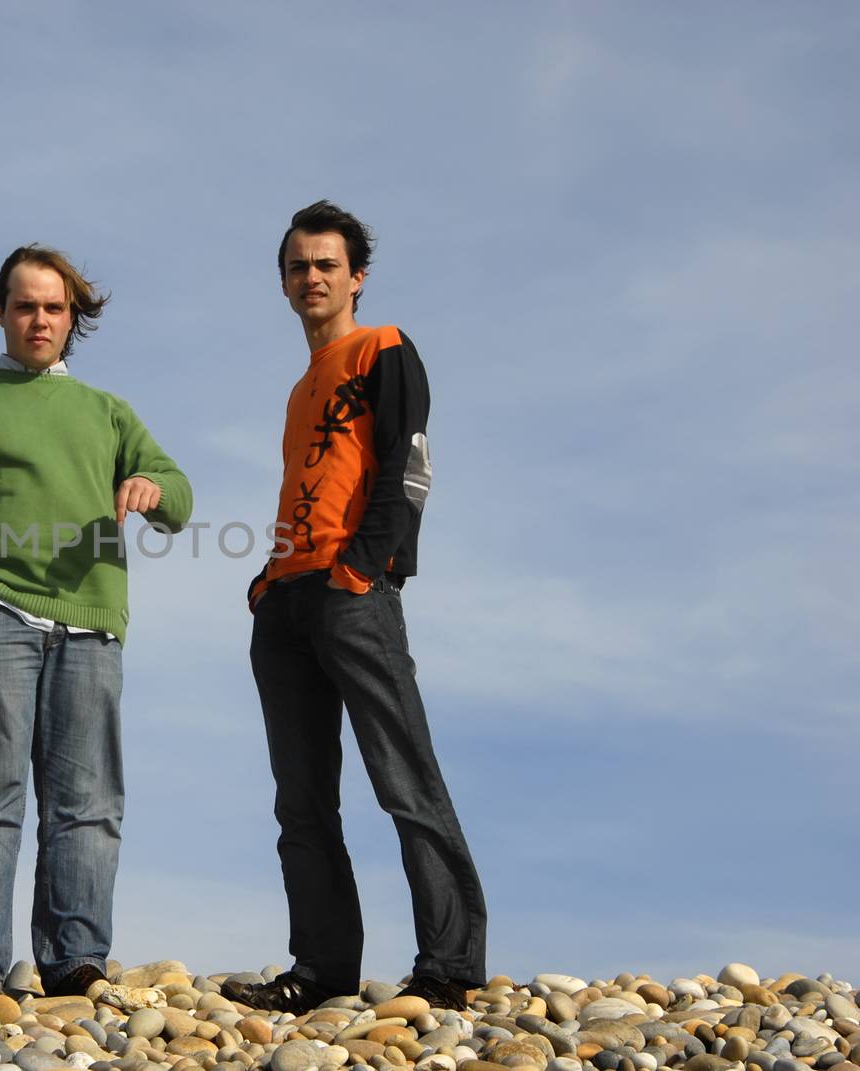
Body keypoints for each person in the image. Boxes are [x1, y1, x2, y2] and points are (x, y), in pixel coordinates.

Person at [0, 245, 192, 1003]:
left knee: (87, 802)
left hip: (91, 627)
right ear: (1, 312)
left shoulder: (108, 410)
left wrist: (153, 486)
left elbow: (179, 496)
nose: (40, 319)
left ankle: (75, 958)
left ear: (72, 317)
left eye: (55, 307)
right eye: (26, 306)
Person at [222, 201, 487, 1014]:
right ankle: (322, 969)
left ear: (356, 277)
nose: (312, 277)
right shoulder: (303, 385)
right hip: (287, 602)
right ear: (284, 281)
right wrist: (268, 580)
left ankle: (449, 964)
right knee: (301, 798)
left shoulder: (384, 348)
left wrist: (365, 568)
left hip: (353, 594)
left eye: (326, 264)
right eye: (298, 266)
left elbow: (409, 468)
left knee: (404, 778)